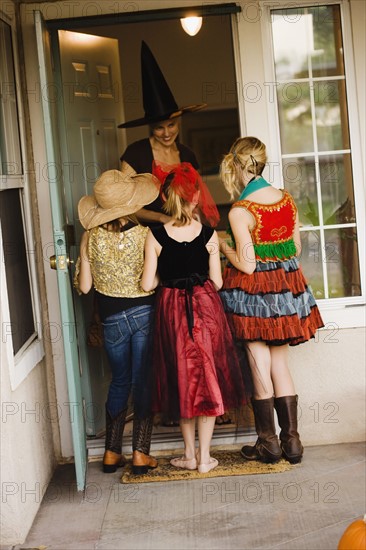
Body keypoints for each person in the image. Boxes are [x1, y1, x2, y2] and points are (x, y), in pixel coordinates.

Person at [219, 137, 324, 465]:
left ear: (236, 165)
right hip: (284, 289)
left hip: (252, 298)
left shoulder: (241, 210)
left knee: (258, 364)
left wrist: (224, 248)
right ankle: (292, 442)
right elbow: (294, 248)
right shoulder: (286, 201)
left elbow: (247, 264)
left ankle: (268, 443)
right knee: (280, 364)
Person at [141, 163, 247, 474]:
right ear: (197, 197)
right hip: (205, 308)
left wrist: (168, 278)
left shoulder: (155, 235)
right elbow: (217, 283)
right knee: (208, 376)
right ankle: (204, 458)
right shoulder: (210, 234)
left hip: (173, 311)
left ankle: (188, 454)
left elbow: (148, 284)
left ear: (165, 198)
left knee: (182, 379)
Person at [76, 168, 160, 475]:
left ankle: (111, 453)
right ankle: (141, 453)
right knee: (142, 382)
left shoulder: (89, 237)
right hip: (144, 315)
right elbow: (151, 281)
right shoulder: (145, 235)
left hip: (111, 321)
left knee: (120, 381)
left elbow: (85, 287)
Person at [119, 41, 206, 226]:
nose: (167, 133)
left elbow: (196, 199)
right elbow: (124, 204)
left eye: (172, 125)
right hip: (149, 237)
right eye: (159, 127)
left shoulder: (188, 155)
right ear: (150, 127)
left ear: (179, 122)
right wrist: (162, 218)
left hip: (185, 232)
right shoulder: (134, 154)